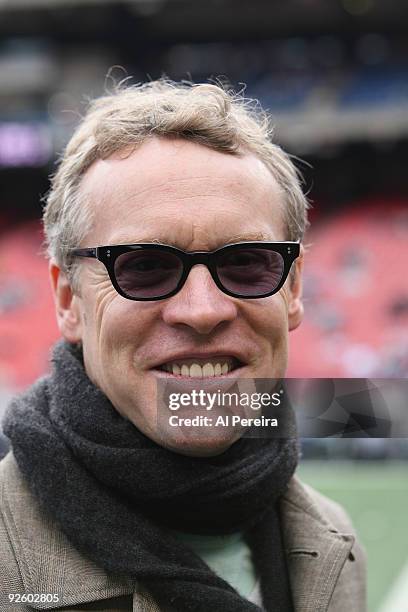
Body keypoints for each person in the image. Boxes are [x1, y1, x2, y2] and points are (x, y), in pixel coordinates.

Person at [0, 80, 366, 611]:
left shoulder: (335, 540)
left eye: (246, 262)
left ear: (292, 289)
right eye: (144, 267)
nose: (202, 310)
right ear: (68, 299)